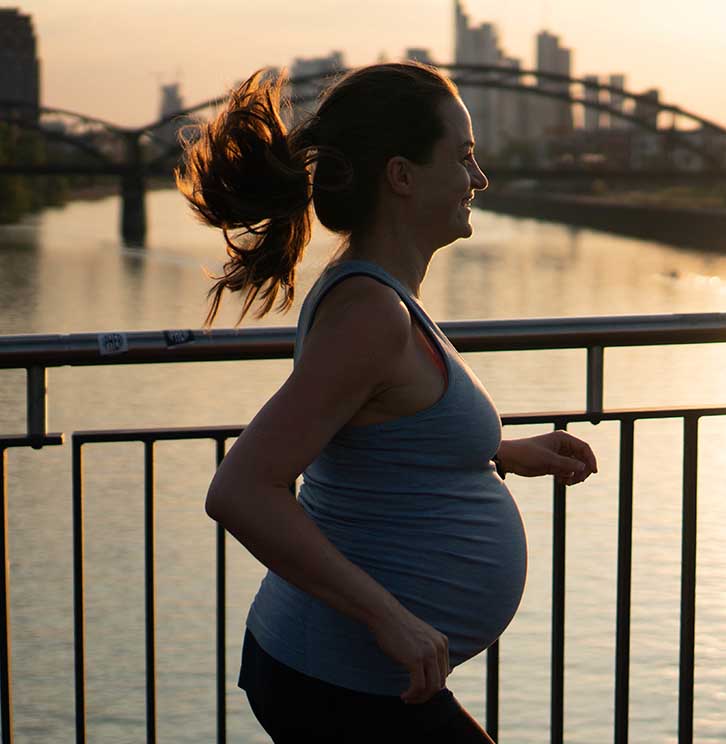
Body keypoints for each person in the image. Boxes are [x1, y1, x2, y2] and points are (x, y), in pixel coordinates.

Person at [179, 62, 598, 742]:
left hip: (353, 678)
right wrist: (389, 618)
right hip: (336, 680)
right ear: (401, 176)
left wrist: (502, 453)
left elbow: (379, 428)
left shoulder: (383, 297)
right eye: (462, 158)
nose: (479, 178)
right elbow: (241, 489)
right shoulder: (369, 313)